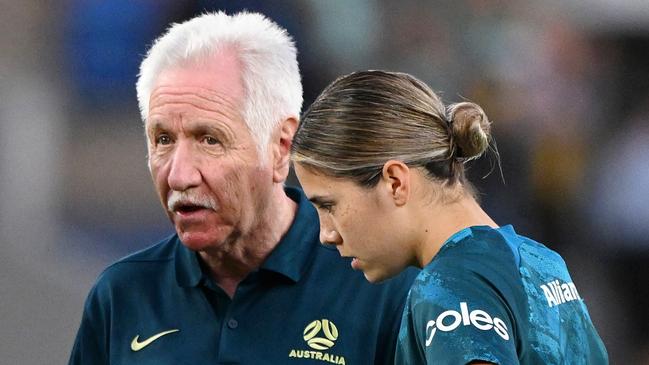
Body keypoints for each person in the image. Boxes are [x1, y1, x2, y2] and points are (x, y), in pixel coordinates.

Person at [68, 13, 416, 365]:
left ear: (281, 146)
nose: (178, 175)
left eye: (209, 140)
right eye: (163, 140)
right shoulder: (121, 296)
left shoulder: (383, 286)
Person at [291, 70, 608, 364]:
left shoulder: (447, 287)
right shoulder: (545, 264)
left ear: (395, 183)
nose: (326, 234)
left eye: (329, 206)